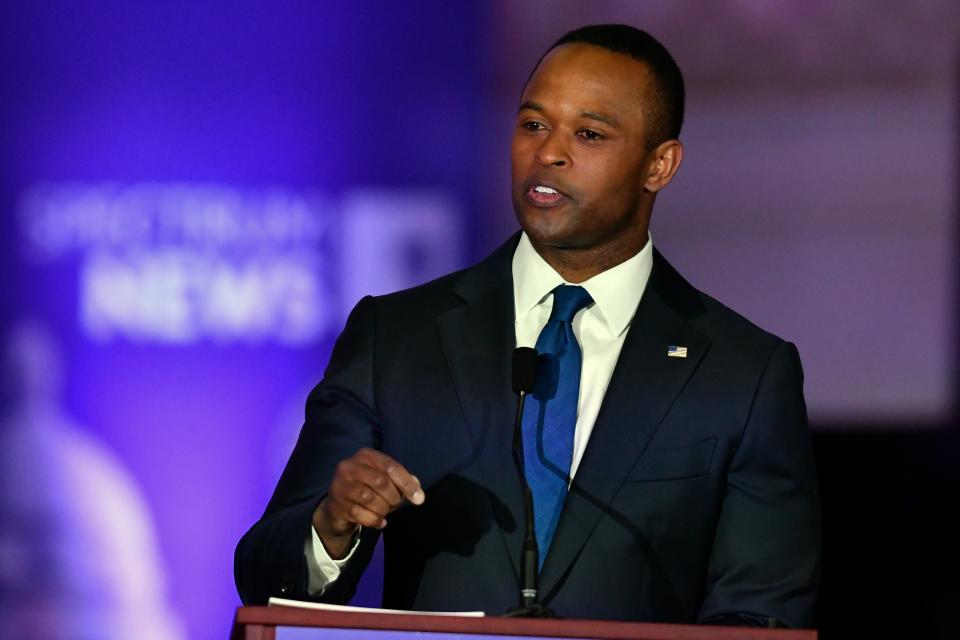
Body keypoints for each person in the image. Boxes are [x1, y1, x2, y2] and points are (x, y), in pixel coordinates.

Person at [235, 24, 820, 627]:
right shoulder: (398, 337)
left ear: (659, 166)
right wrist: (330, 529)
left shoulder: (743, 374)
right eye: (533, 124)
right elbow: (265, 578)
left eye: (588, 134)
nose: (548, 153)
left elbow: (762, 613)